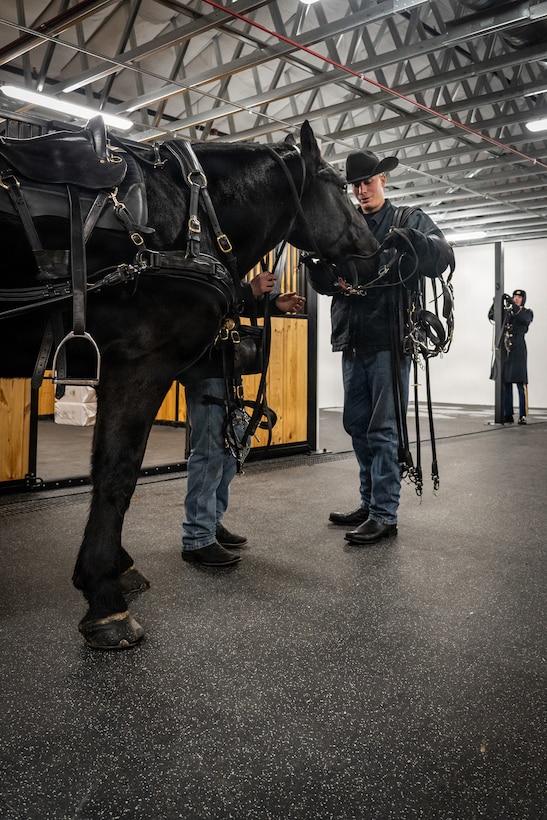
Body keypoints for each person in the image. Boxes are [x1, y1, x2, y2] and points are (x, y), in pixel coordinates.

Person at [306, 149, 454, 545]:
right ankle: (370, 501)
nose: (361, 190)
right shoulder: (344, 223)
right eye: (355, 185)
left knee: (383, 428)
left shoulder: (408, 219)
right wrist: (319, 273)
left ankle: (385, 514)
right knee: (356, 425)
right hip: (352, 339)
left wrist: (416, 242)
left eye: (367, 182)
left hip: (390, 340)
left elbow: (443, 256)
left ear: (383, 181)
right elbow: (329, 284)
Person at [180, 271, 305, 567]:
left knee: (231, 449)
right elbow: (206, 297)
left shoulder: (223, 260)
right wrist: (249, 289)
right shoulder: (197, 255)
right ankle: (197, 538)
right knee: (210, 452)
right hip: (205, 363)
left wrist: (273, 304)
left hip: (226, 362)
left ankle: (211, 522)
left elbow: (233, 304)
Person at [490, 289, 534, 425]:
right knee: (506, 381)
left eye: (519, 297)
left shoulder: (527, 312)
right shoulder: (508, 312)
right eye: (514, 296)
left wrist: (512, 305)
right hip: (506, 348)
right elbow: (492, 316)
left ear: (523, 299)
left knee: (521, 382)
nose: (516, 299)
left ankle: (523, 415)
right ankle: (507, 414)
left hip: (518, 349)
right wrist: (496, 303)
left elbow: (523, 319)